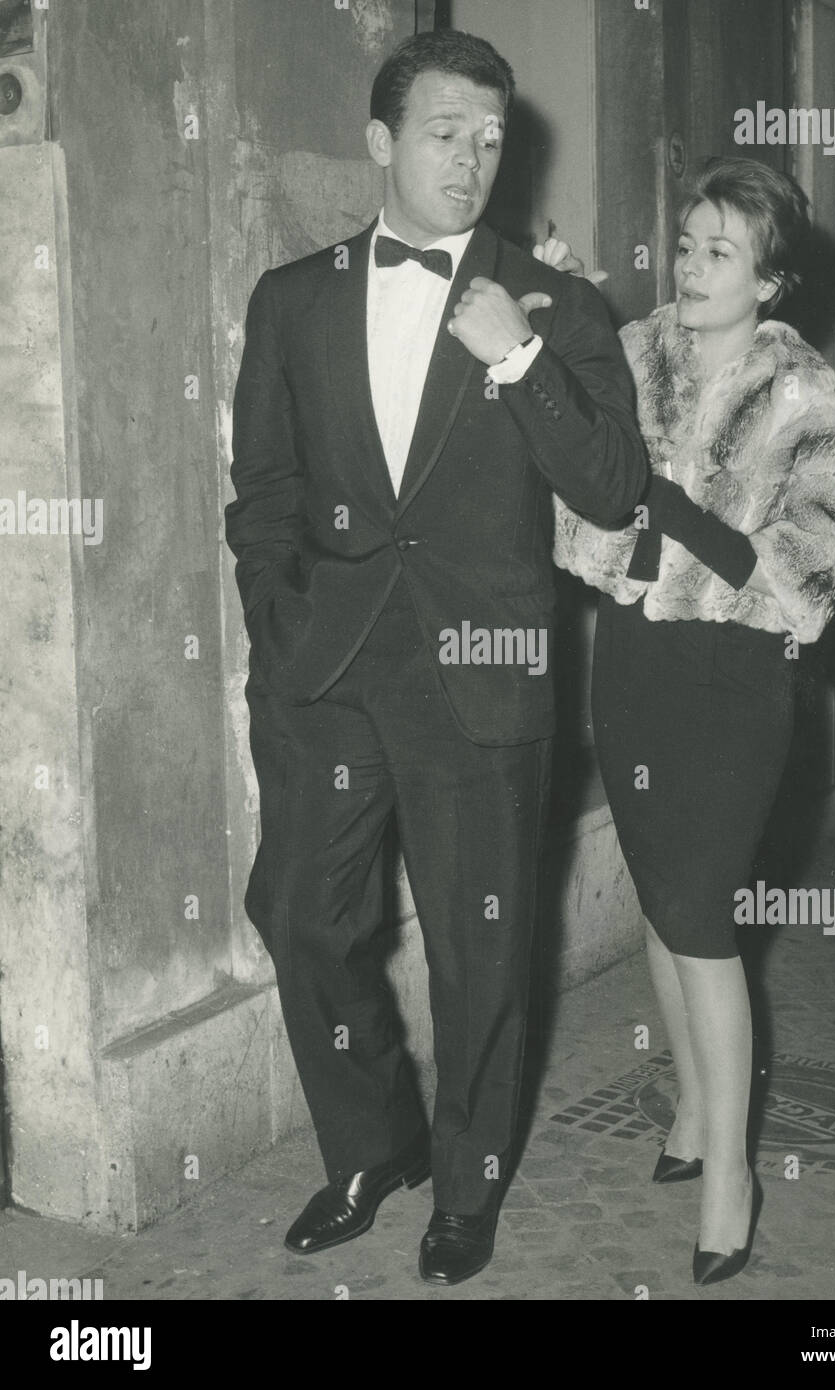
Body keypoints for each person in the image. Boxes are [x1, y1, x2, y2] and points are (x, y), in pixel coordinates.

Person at [223, 29, 647, 1288]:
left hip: (484, 667)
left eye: (490, 136)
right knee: (302, 913)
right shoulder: (291, 298)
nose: (470, 158)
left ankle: (464, 1186)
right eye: (443, 132)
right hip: (328, 667)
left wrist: (514, 356)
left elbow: (614, 485)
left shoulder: (554, 305)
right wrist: (278, 621)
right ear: (378, 143)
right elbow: (263, 494)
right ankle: (371, 1143)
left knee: (481, 945)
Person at [550, 157, 835, 1283]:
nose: (688, 266)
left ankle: (730, 1173)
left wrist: (666, 509)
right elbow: (580, 508)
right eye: (683, 243)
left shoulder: (800, 394)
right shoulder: (628, 356)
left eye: (718, 251)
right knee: (655, 892)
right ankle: (688, 1111)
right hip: (634, 663)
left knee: (697, 913)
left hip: (736, 681)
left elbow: (807, 572)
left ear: (769, 281)